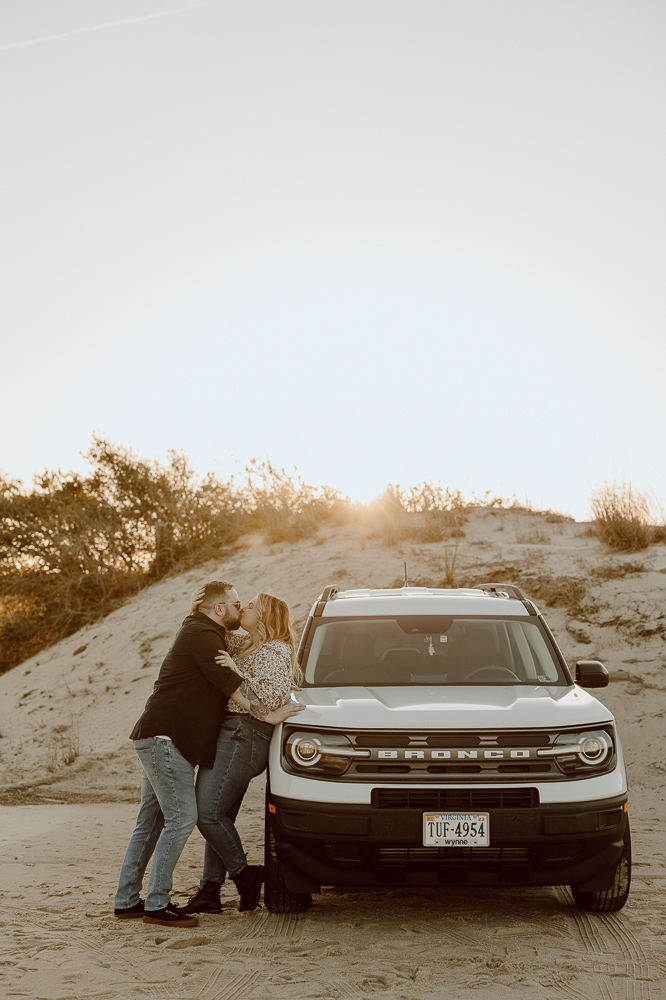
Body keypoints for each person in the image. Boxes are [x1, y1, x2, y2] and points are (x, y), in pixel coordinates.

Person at [113, 580, 301, 928]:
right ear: (219, 609)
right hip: (170, 738)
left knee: (183, 816)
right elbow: (226, 679)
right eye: (236, 603)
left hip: (216, 737)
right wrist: (266, 710)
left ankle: (139, 900)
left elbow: (240, 680)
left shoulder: (240, 641)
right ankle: (162, 902)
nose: (240, 608)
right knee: (190, 816)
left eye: (247, 605)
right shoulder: (211, 635)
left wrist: (266, 710)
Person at [183, 590, 302, 915]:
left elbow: (269, 699)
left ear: (263, 617)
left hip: (244, 735)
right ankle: (210, 890)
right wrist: (203, 606)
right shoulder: (246, 644)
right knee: (221, 815)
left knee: (206, 813)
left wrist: (235, 671)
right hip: (231, 735)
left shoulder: (276, 651)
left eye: (250, 606)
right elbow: (215, 633)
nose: (243, 609)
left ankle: (245, 874)